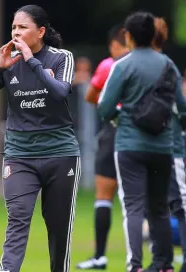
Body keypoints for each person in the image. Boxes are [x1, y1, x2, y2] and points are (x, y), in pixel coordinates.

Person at [0, 5, 81, 272]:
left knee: (58, 226)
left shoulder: (61, 57)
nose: (16, 33)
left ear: (40, 32)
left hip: (60, 154)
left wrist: (32, 61)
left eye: (23, 27)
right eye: (14, 27)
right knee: (17, 217)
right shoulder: (6, 59)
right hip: (20, 155)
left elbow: (60, 92)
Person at [97, 12, 177, 271]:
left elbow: (105, 107)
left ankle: (136, 265)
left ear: (128, 36)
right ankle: (164, 264)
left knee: (133, 206)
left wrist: (121, 116)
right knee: (160, 207)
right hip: (162, 146)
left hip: (130, 145)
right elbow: (183, 108)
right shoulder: (168, 64)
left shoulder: (123, 65)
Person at [76, 24, 129, 270]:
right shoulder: (150, 63)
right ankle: (141, 258)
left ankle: (99, 255)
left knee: (103, 196)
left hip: (114, 132)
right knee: (139, 198)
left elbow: (91, 96)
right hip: (143, 134)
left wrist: (112, 106)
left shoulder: (109, 64)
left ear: (112, 44)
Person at [150, 17, 186, 272]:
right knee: (181, 202)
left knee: (157, 205)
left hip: (150, 146)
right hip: (170, 143)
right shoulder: (169, 66)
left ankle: (162, 259)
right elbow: (183, 108)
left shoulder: (137, 64)